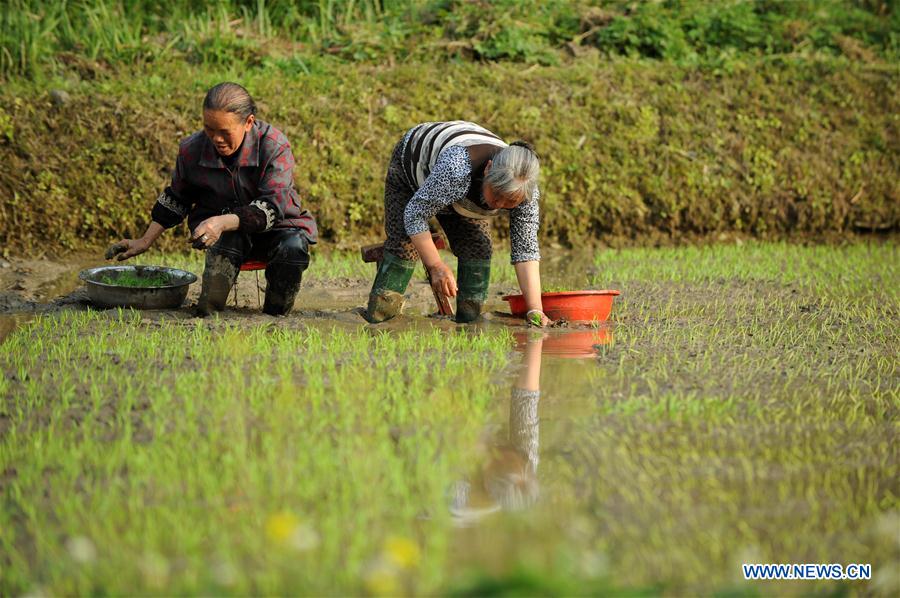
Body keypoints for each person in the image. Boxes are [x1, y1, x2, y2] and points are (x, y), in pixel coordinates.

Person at [106, 82, 317, 316]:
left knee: (293, 248)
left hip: (276, 230)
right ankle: (209, 315)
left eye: (224, 132)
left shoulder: (273, 146)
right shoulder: (191, 150)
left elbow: (271, 207)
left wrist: (220, 222)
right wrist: (144, 240)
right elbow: (177, 197)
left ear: (248, 123)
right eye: (209, 129)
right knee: (210, 304)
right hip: (225, 236)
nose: (216, 139)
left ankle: (277, 316)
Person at [365, 120, 550, 325]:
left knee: (477, 248)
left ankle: (469, 323)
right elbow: (415, 214)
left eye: (510, 201)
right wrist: (435, 265)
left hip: (461, 188)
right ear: (488, 169)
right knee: (404, 245)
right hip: (412, 166)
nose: (500, 204)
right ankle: (379, 319)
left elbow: (526, 250)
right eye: (497, 194)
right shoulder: (458, 169)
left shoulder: (527, 193)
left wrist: (535, 309)